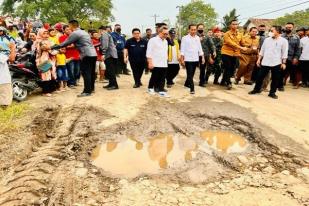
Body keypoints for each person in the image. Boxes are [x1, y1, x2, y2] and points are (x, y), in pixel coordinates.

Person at [52, 20, 97, 97]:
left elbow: (65, 43)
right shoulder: (84, 32)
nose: (69, 28)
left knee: (86, 73)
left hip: (86, 54)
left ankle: (87, 91)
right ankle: (91, 88)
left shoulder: (75, 33)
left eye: (69, 26)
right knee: (91, 72)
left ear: (72, 26)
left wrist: (52, 47)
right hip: (93, 54)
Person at [249, 26, 288, 99]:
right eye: (270, 30)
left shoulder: (283, 41)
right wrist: (259, 59)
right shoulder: (267, 40)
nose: (270, 32)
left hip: (276, 62)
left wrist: (283, 63)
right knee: (260, 77)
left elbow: (284, 52)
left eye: (272, 31)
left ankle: (272, 93)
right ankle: (256, 89)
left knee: (275, 78)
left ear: (278, 31)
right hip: (265, 62)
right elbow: (262, 50)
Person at [221, 20, 247, 90]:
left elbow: (243, 43)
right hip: (226, 52)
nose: (235, 26)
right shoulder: (226, 34)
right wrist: (241, 47)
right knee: (228, 67)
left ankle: (223, 80)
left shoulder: (240, 34)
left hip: (235, 54)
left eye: (236, 24)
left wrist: (248, 46)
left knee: (232, 69)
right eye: (233, 24)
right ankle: (228, 82)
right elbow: (230, 43)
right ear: (230, 25)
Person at [180, 24, 205, 94]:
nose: (193, 31)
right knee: (190, 74)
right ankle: (192, 88)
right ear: (189, 30)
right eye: (192, 30)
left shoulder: (197, 38)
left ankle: (186, 84)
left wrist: (202, 57)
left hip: (195, 59)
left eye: (194, 30)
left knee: (192, 74)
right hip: (188, 59)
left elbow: (200, 48)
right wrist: (182, 59)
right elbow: (182, 49)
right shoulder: (184, 38)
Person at [147, 26, 169, 97]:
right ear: (159, 32)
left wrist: (167, 59)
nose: (166, 35)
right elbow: (149, 52)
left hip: (164, 63)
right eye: (164, 34)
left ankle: (161, 90)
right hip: (155, 63)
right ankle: (150, 88)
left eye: (167, 34)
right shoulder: (153, 40)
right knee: (154, 77)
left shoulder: (165, 41)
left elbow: (165, 51)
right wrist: (150, 62)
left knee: (163, 78)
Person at [35, 28, 57, 97]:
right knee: (45, 75)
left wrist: (52, 49)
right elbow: (47, 49)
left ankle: (51, 89)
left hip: (51, 60)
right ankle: (45, 91)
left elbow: (55, 50)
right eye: (44, 33)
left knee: (51, 74)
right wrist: (52, 48)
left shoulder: (50, 41)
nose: (46, 35)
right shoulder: (39, 42)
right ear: (40, 34)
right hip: (43, 60)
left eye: (47, 33)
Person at [279, 22, 301, 91]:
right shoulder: (281, 36)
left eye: (290, 27)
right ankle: (280, 85)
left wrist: (296, 57)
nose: (288, 28)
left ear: (293, 28)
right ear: (285, 27)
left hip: (290, 58)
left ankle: (285, 83)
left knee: (287, 71)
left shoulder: (296, 37)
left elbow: (298, 49)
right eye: (287, 27)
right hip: (280, 57)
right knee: (280, 71)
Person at [0, 28, 16, 107]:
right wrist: (13, 47)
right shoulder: (1, 55)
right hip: (2, 81)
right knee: (4, 105)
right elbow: (12, 59)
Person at [100, 26, 119, 90]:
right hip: (111, 54)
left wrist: (103, 53)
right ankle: (111, 84)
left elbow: (105, 45)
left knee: (111, 71)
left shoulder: (104, 34)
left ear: (101, 30)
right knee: (109, 70)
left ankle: (114, 85)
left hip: (110, 55)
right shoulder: (107, 34)